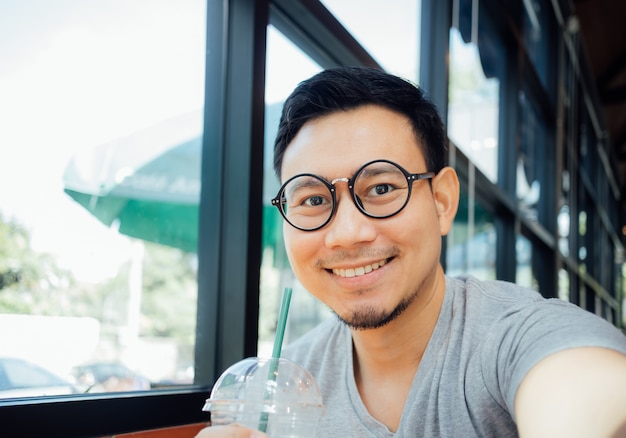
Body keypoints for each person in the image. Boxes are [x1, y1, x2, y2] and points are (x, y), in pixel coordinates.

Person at [197, 66, 626, 437]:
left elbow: (586, 396)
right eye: (312, 200)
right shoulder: (286, 383)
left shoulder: (513, 337)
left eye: (382, 188)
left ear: (442, 202)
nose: (346, 234)